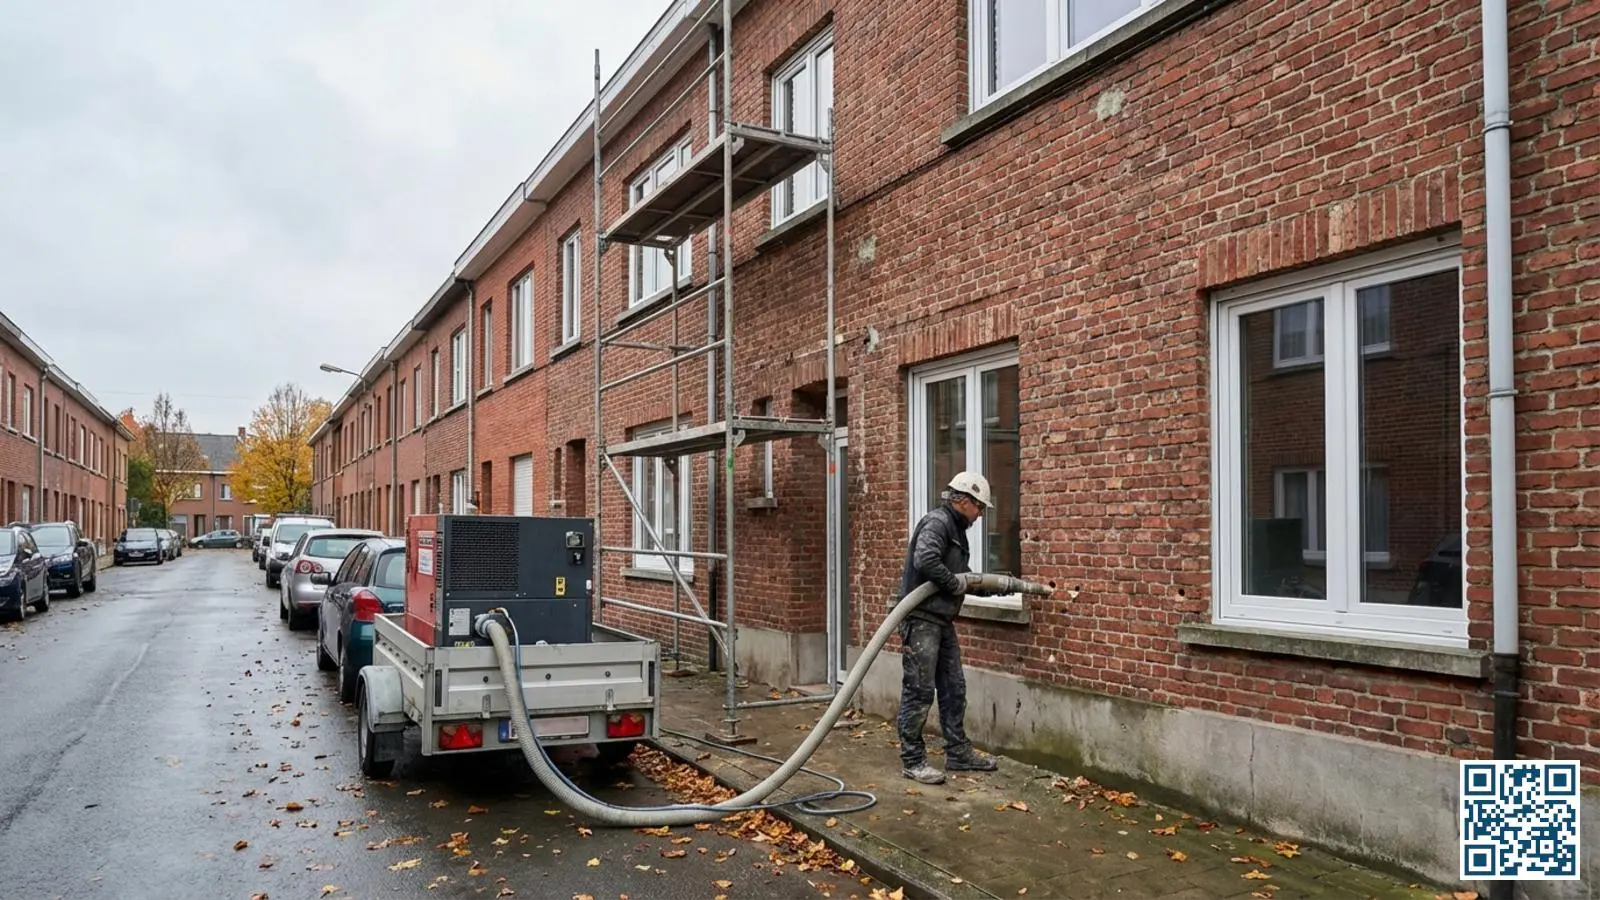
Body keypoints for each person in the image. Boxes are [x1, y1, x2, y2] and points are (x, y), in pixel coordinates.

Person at [896, 471, 999, 785]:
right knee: (920, 691)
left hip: (941, 620)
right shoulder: (938, 523)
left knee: (954, 688)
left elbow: (960, 574)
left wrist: (991, 586)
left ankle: (958, 752)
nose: (980, 514)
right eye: (979, 507)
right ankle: (913, 761)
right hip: (922, 620)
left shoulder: (955, 528)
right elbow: (926, 560)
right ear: (964, 501)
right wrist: (955, 583)